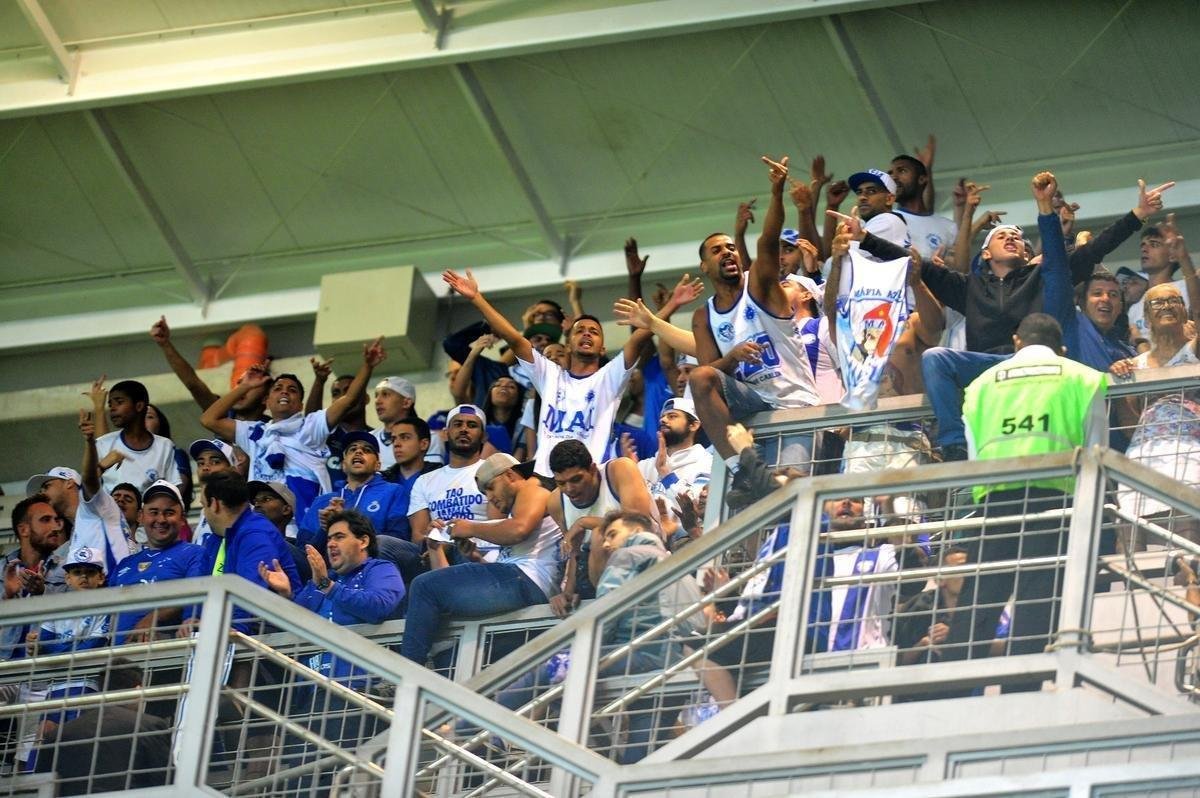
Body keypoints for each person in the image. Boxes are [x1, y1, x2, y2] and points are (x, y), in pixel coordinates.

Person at [961, 313, 1107, 688]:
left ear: (1016, 342)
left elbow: (974, 455)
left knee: (976, 607)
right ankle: (1021, 695)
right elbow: (1097, 453)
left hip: (994, 503)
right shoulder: (1084, 378)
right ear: (1061, 348)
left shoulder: (979, 385)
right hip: (1055, 503)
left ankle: (950, 696)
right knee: (1036, 607)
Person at [442, 266, 691, 477]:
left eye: (594, 331)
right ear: (568, 343)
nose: (586, 334)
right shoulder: (549, 375)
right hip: (546, 478)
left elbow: (638, 340)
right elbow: (514, 338)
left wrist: (672, 304)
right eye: (580, 330)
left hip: (590, 477)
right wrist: (477, 298)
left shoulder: (609, 377)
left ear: (602, 347)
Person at [907, 170, 1083, 460]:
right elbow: (915, 262)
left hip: (1032, 363)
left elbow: (1057, 257)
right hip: (988, 368)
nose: (1012, 238)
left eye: (1017, 237)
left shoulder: (1040, 278)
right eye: (1003, 235)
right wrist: (864, 238)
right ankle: (954, 444)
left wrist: (1046, 210)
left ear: (1028, 255)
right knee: (935, 357)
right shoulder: (970, 288)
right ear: (986, 254)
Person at [493, 511, 677, 764]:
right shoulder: (674, 562)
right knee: (636, 762)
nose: (606, 544)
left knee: (551, 667)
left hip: (639, 656)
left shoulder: (629, 556)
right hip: (671, 666)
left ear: (636, 532)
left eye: (612, 534)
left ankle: (478, 723)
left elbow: (604, 616)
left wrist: (577, 651)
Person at [687, 156, 821, 471]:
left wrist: (776, 193)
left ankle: (753, 474)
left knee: (788, 493)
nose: (728, 252)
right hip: (752, 407)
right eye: (717, 250)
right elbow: (709, 375)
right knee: (700, 376)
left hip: (793, 406)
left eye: (731, 247)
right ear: (704, 267)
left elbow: (768, 241)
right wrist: (732, 356)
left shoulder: (759, 284)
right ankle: (741, 469)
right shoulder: (703, 316)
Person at [199, 337, 385, 520]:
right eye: (278, 388)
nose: (285, 391)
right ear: (267, 400)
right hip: (263, 523)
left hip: (303, 525)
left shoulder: (311, 426)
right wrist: (245, 386)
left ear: (300, 405)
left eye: (292, 390)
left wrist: (367, 366)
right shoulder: (255, 433)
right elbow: (209, 419)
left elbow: (349, 399)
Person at [399, 454, 557, 667]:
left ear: (510, 474)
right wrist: (473, 557)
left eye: (490, 487)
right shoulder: (520, 506)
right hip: (524, 582)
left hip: (527, 579)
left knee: (424, 586)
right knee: (452, 660)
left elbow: (519, 530)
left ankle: (406, 671)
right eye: (484, 492)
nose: (489, 497)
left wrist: (471, 527)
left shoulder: (531, 488)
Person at [183, 471, 301, 636]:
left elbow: (249, 595)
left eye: (204, 506)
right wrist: (191, 619)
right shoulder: (217, 538)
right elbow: (200, 585)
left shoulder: (256, 535)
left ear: (215, 504)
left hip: (265, 638)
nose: (205, 512)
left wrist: (236, 630)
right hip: (225, 630)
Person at [546, 440, 655, 612]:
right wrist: (567, 592)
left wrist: (584, 522)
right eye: (561, 483)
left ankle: (608, 610)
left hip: (642, 559)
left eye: (576, 479)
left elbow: (639, 524)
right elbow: (574, 549)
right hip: (592, 571)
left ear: (592, 469)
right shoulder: (555, 502)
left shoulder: (620, 470)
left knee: (599, 535)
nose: (569, 489)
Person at [52, 664, 172, 794]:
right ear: (138, 689)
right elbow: (165, 781)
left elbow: (46, 782)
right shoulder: (150, 726)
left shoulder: (61, 733)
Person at [109, 481, 205, 643]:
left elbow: (195, 595)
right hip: (116, 658)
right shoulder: (125, 564)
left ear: (182, 518)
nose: (161, 519)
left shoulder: (194, 553)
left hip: (161, 657)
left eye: (169, 512)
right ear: (141, 516)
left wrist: (154, 617)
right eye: (153, 512)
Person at [406, 404, 494, 559]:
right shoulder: (424, 481)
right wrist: (429, 533)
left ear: (484, 436)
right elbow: (417, 538)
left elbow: (499, 528)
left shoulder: (494, 472)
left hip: (478, 551)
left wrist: (456, 539)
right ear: (445, 434)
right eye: (457, 424)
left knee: (460, 545)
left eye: (472, 425)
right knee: (385, 544)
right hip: (436, 549)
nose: (464, 429)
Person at [297, 432, 410, 548]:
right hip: (325, 564)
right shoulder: (322, 502)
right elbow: (303, 550)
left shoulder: (393, 491)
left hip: (373, 563)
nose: (358, 452)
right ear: (344, 465)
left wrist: (346, 522)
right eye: (352, 449)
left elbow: (398, 539)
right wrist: (325, 528)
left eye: (367, 450)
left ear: (377, 465)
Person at [149, 315, 269, 422]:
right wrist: (165, 344)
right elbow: (193, 384)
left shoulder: (275, 429)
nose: (241, 389)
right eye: (240, 383)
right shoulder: (222, 414)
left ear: (266, 398)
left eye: (250, 385)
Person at [94, 380, 182, 494]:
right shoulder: (102, 443)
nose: (112, 408)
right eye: (110, 405)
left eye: (119, 402)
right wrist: (100, 467)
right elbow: (88, 489)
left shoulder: (165, 446)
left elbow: (173, 489)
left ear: (139, 406)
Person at [635, 397, 711, 519]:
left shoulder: (706, 463)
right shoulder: (643, 466)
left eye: (672, 416)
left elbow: (697, 509)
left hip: (688, 537)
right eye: (662, 417)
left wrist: (665, 474)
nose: (663, 420)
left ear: (693, 425)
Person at [25, 547, 109, 657]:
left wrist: (50, 650)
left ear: (101, 577)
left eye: (90, 572)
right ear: (68, 578)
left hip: (90, 669)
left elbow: (93, 647)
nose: (84, 576)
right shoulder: (57, 606)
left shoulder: (107, 607)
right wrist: (36, 644)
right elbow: (43, 642)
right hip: (57, 671)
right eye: (77, 572)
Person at [246, 480, 311, 583]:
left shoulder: (297, 555)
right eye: (255, 501)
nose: (257, 505)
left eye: (266, 499)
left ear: (286, 509)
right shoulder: (242, 542)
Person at [189, 438, 236, 545]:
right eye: (201, 463)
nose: (205, 467)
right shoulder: (204, 512)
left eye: (215, 462)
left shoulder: (243, 511)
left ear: (233, 470)